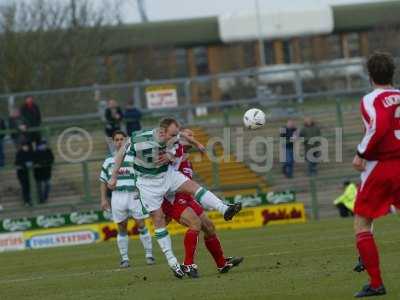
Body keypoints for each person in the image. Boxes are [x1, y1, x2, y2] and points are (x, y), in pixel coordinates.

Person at [108, 118, 242, 278]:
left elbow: (183, 138)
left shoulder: (174, 142)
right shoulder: (141, 140)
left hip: (167, 176)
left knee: (205, 217)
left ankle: (224, 209)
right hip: (148, 184)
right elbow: (122, 151)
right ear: (163, 132)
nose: (177, 137)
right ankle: (174, 262)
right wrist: (114, 176)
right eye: (173, 134)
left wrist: (196, 145)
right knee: (168, 221)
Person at [162, 129, 244, 278]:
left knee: (210, 227)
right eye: (188, 135)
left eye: (193, 135)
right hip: (173, 200)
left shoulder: (188, 162)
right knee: (195, 224)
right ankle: (188, 264)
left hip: (187, 198)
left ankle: (221, 264)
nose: (191, 138)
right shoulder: (173, 155)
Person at [351, 51, 400, 298]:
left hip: (383, 166)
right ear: (392, 73)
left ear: (370, 75)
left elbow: (378, 126)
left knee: (362, 222)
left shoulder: (371, 99)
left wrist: (361, 152)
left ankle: (376, 283)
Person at [100, 130, 154, 268]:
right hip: (117, 196)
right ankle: (125, 258)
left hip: (134, 194)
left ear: (126, 140)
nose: (119, 142)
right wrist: (103, 199)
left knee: (141, 225)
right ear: (113, 142)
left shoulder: (134, 157)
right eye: (116, 140)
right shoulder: (108, 161)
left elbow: (143, 175)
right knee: (122, 227)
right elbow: (103, 181)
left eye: (121, 139)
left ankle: (149, 255)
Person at [15, 142, 34, 206]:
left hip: (30, 175)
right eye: (24, 146)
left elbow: (35, 160)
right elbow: (17, 163)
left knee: (29, 188)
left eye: (26, 146)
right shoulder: (19, 153)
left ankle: (29, 200)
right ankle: (26, 201)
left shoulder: (31, 152)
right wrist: (25, 164)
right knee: (25, 188)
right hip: (22, 175)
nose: (25, 147)